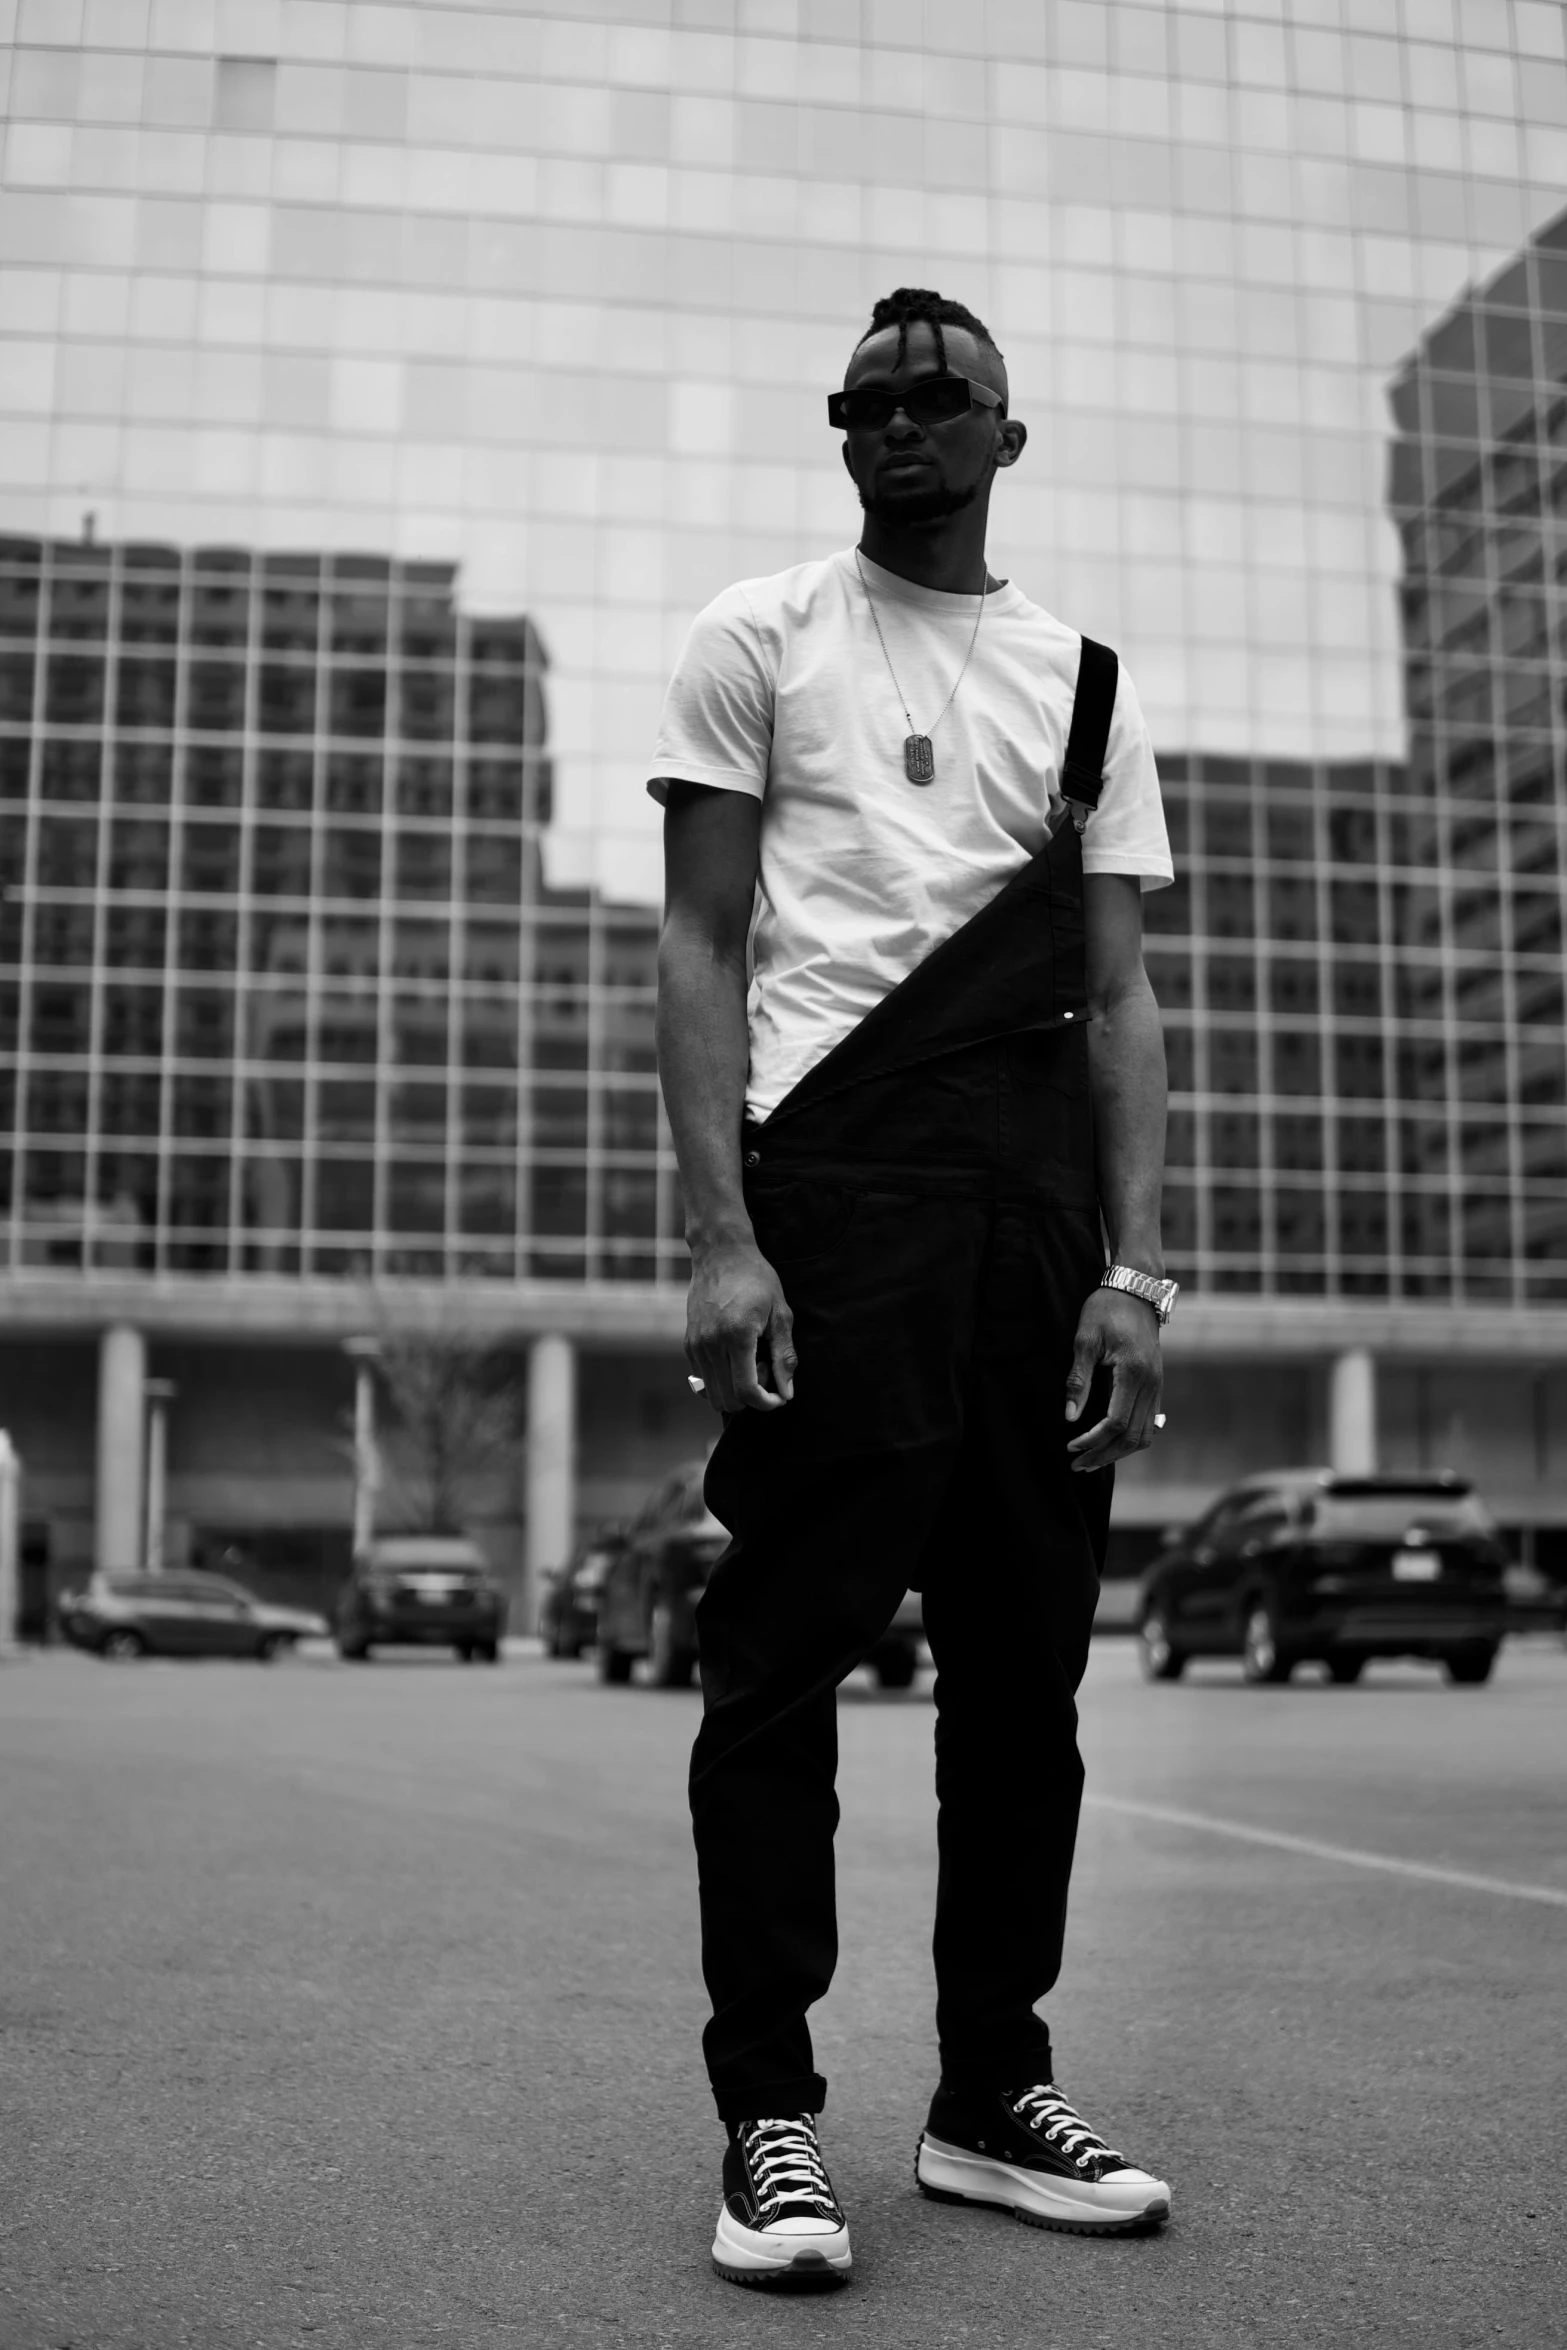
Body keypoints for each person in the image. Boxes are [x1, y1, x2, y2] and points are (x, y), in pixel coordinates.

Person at [651, 286, 1177, 2291]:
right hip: (835, 1189)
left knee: (1024, 1679)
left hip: (1035, 1222)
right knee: (779, 1662)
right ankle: (769, 2110)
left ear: (1006, 436)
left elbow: (1120, 989)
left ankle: (989, 2091)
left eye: (939, 396)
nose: (899, 423)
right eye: (867, 400)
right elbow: (701, 944)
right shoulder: (755, 637)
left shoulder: (1089, 683)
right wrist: (721, 1230)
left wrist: (1134, 1268)